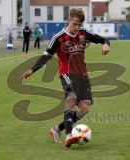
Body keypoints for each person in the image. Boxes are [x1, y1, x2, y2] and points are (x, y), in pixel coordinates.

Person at [20, 8, 110, 148]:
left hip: (83, 75)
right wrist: (32, 70)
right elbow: (46, 56)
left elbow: (103, 39)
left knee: (84, 108)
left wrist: (106, 44)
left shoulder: (83, 33)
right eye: (74, 24)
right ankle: (69, 136)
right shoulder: (58, 38)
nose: (76, 27)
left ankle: (57, 129)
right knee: (71, 97)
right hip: (66, 73)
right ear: (68, 20)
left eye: (79, 24)